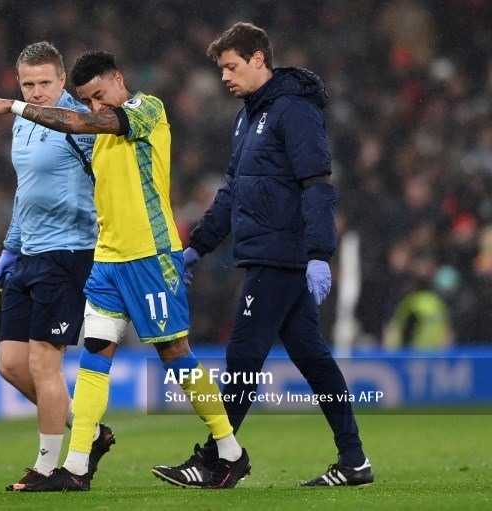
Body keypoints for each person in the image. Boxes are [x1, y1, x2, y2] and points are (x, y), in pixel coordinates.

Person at [0, 49, 250, 491]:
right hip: (107, 260)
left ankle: (230, 451)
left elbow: (84, 123)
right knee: (94, 357)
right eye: (87, 100)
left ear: (118, 79)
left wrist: (14, 106)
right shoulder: (96, 128)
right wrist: (16, 243)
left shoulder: (147, 109)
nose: (96, 106)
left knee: (174, 353)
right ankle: (77, 466)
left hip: (149, 256)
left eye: (100, 94)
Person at [155, 22, 374, 487]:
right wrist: (197, 246)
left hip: (282, 254)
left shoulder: (292, 111)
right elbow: (234, 190)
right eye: (221, 69)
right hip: (270, 252)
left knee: (243, 355)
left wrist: (319, 252)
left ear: (259, 60)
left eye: (231, 66)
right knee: (312, 359)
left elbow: (316, 183)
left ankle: (218, 460)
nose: (224, 77)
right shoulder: (248, 116)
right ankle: (354, 461)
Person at [0, 42, 114, 492]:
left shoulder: (78, 122)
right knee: (12, 364)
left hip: (70, 252)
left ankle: (46, 467)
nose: (36, 92)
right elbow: (26, 189)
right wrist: (11, 246)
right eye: (27, 84)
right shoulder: (21, 123)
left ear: (62, 81)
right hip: (30, 254)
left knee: (43, 362)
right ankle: (89, 431)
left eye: (45, 83)